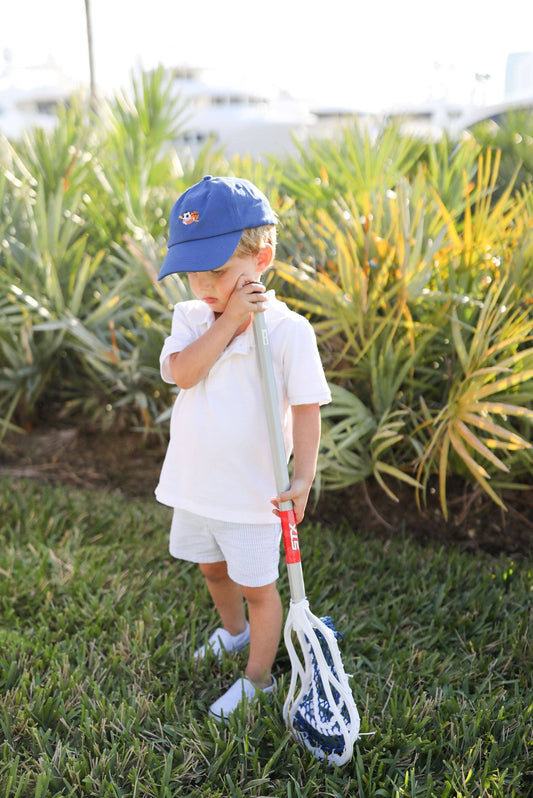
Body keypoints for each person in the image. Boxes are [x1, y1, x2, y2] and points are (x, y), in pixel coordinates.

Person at [155, 175, 331, 721]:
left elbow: (305, 407)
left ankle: (257, 680)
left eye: (220, 272)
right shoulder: (192, 319)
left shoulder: (287, 330)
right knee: (211, 569)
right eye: (193, 273)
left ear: (263, 259)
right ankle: (233, 633)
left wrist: (302, 478)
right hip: (195, 484)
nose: (204, 285)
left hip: (254, 495)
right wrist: (228, 319)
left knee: (259, 588)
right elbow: (183, 374)